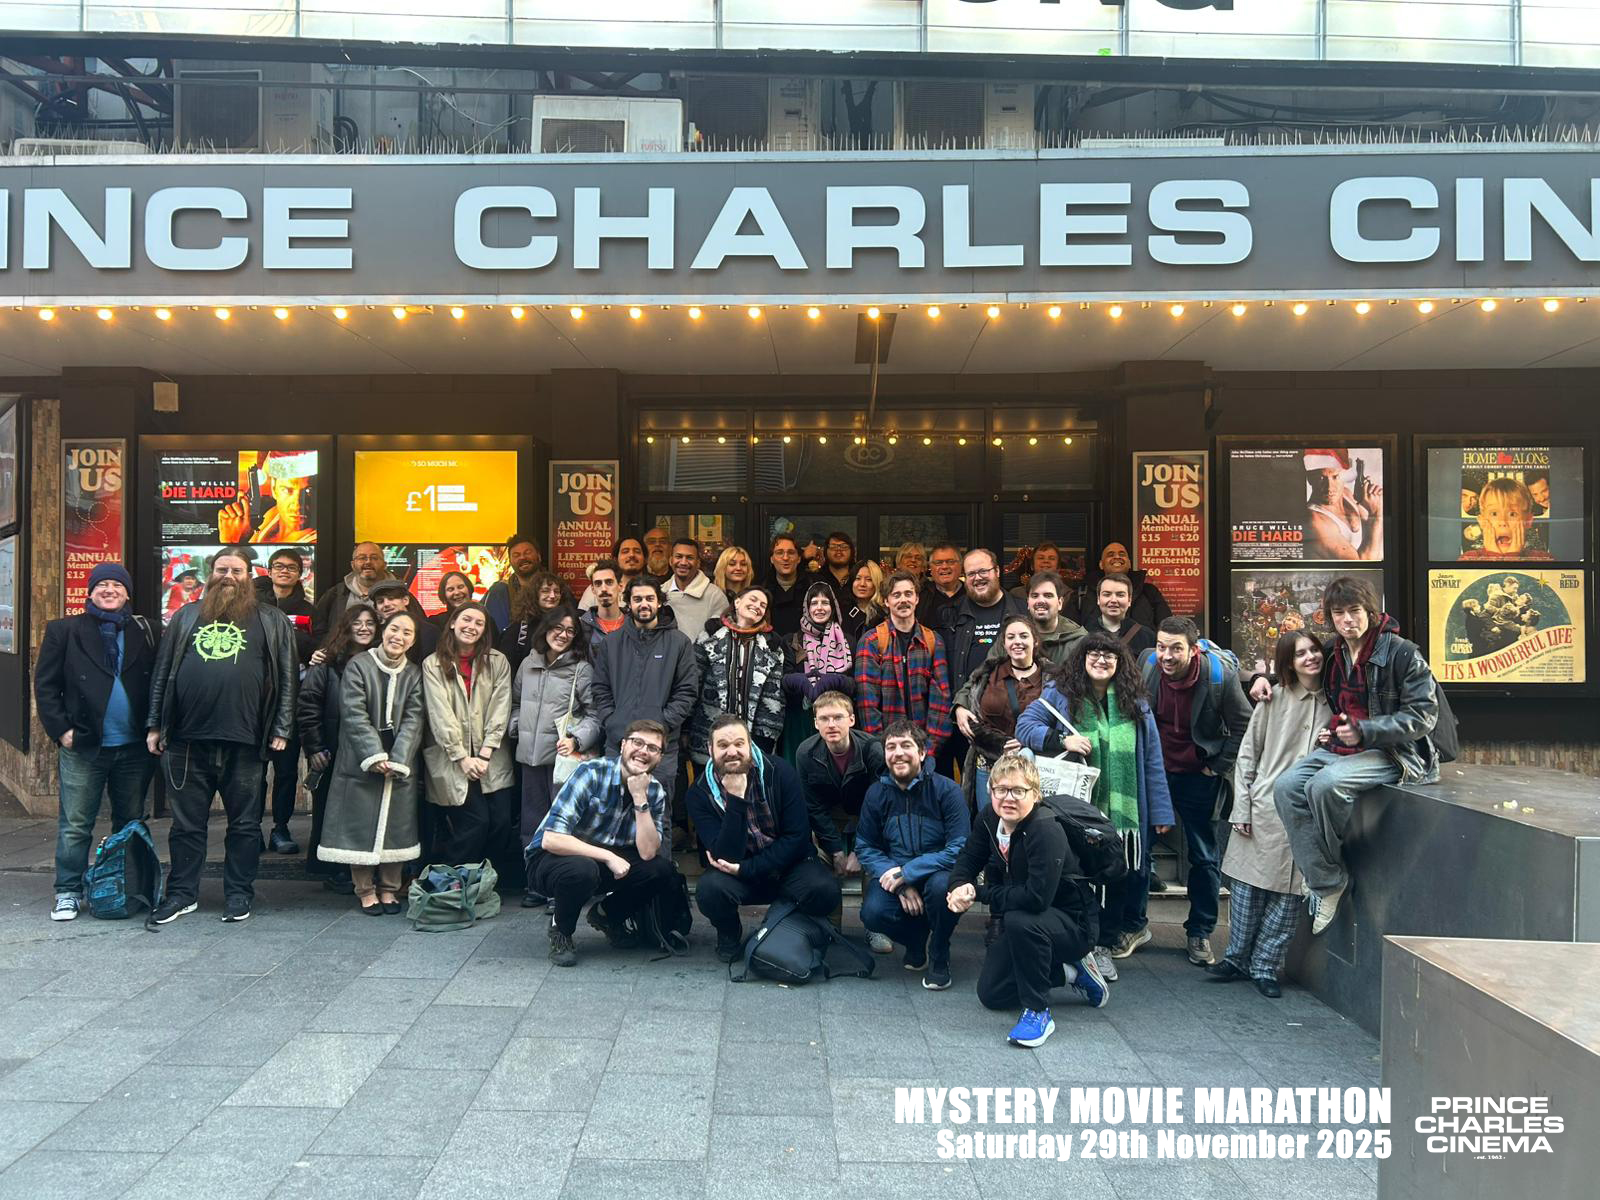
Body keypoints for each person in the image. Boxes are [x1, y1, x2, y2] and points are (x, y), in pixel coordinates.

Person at [1273, 576, 1441, 935]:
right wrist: (1263, 682)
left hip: (1395, 752)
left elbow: (1423, 716)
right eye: (1339, 613)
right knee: (1285, 787)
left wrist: (1366, 730)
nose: (1347, 620)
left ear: (1370, 611)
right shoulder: (1333, 651)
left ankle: (1326, 876)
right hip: (1344, 747)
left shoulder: (1402, 653)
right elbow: (1302, 673)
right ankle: (1328, 880)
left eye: (1355, 611)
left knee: (1325, 785)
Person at [147, 548, 297, 925]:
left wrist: (282, 728)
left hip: (246, 742)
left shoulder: (272, 620)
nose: (228, 576)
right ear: (210, 574)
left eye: (237, 570)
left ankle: (238, 895)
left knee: (245, 826)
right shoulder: (185, 616)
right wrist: (155, 725)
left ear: (249, 576)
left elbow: (288, 679)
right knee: (186, 826)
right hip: (186, 741)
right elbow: (162, 673)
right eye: (221, 569)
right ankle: (181, 895)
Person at [1016, 634, 1175, 977]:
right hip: (1076, 811)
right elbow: (1025, 726)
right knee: (1079, 877)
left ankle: (1103, 945)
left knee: (1118, 874)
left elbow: (1152, 760)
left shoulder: (1136, 702)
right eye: (1094, 654)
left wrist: (1161, 811)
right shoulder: (1060, 693)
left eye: (1109, 656)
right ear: (1082, 658)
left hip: (1125, 815)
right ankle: (1080, 943)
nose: (1101, 660)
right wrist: (1062, 739)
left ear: (1120, 663)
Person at [948, 752, 1109, 1047]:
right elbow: (969, 858)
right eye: (1001, 789)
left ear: (1035, 794)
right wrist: (959, 886)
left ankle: (1037, 1011)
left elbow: (1035, 899)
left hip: (1074, 924)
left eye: (1018, 791)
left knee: (1019, 919)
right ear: (990, 791)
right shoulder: (989, 818)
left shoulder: (1045, 829)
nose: (1008, 798)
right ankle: (1072, 973)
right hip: (1029, 921)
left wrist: (978, 893)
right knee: (992, 994)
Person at [35, 562, 158, 921]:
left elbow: (160, 681)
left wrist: (156, 727)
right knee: (76, 825)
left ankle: (126, 886)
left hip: (134, 746)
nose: (109, 590)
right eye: (101, 584)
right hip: (84, 745)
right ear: (89, 592)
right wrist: (62, 730)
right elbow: (46, 686)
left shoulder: (147, 631)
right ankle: (68, 891)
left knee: (130, 821)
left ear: (127, 593)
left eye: (117, 585)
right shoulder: (64, 630)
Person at [1210, 631, 1329, 998]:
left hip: (1307, 812)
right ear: (1288, 662)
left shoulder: (1337, 702)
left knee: (1289, 895)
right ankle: (1236, 958)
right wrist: (1241, 806)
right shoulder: (1272, 698)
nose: (1310, 657)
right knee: (1248, 889)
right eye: (1300, 653)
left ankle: (1265, 965)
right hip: (1264, 804)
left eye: (1314, 650)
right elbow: (1248, 754)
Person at [687, 713, 843, 961]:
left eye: (739, 743)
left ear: (750, 745)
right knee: (710, 890)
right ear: (710, 749)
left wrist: (748, 868)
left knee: (825, 890)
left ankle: (795, 928)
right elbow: (724, 855)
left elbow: (797, 837)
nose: (732, 752)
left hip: (787, 866)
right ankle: (729, 934)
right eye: (723, 745)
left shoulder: (779, 771)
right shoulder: (699, 793)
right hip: (738, 874)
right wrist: (736, 801)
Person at [526, 718, 679, 967]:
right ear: (623, 745)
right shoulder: (591, 772)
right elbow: (551, 838)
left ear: (660, 758)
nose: (643, 751)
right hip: (552, 860)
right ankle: (561, 930)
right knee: (582, 869)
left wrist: (640, 798)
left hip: (604, 862)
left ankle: (607, 915)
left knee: (661, 870)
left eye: (653, 748)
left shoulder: (655, 792)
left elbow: (648, 854)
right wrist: (608, 856)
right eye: (637, 743)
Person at [1144, 616, 1252, 966]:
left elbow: (1243, 724)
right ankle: (1133, 925)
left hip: (1198, 774)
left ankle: (1200, 931)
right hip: (1157, 773)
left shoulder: (1219, 676)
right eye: (1161, 646)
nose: (1166, 656)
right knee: (1137, 849)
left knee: (1204, 857)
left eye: (1176, 648)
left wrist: (1216, 767)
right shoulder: (1147, 666)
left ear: (1194, 649)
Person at [316, 610, 427, 913]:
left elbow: (414, 718)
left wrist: (399, 759)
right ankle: (365, 890)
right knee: (359, 826)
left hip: (400, 759)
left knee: (397, 826)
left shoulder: (414, 673)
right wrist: (373, 755)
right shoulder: (359, 665)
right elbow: (353, 713)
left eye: (407, 633)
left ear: (412, 641)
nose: (398, 637)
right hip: (360, 758)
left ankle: (389, 889)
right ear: (383, 630)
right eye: (394, 629)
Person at [856, 721, 970, 990]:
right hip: (895, 872)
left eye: (906, 745)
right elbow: (865, 846)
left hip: (937, 871)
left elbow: (960, 847)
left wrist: (909, 872)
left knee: (942, 889)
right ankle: (916, 940)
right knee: (872, 913)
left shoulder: (947, 790)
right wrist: (900, 882)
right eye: (891, 747)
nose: (898, 753)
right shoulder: (876, 793)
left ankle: (939, 951)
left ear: (922, 752)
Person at [422, 602, 517, 879]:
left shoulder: (497, 661)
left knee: (500, 821)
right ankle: (449, 881)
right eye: (466, 620)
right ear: (453, 622)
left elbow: (501, 706)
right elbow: (439, 713)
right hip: (452, 758)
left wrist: (485, 753)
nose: (471, 627)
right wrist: (462, 757)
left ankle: (485, 881)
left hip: (491, 756)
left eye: (479, 623)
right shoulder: (433, 664)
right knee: (475, 823)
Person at [591, 577, 699, 803]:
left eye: (650, 598)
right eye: (637, 599)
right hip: (618, 743)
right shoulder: (611, 643)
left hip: (660, 747)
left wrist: (663, 723)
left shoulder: (679, 643)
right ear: (628, 603)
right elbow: (600, 688)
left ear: (659, 602)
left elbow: (687, 691)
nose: (644, 604)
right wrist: (612, 721)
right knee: (612, 812)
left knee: (658, 814)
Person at [514, 606, 603, 870]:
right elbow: (515, 703)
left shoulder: (581, 669)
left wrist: (576, 740)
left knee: (563, 825)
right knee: (530, 824)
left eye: (570, 631)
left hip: (563, 760)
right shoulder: (528, 664)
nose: (563, 635)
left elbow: (595, 715)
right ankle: (534, 878)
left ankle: (561, 878)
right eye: (558, 628)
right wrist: (517, 727)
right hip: (530, 757)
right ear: (546, 629)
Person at [298, 603, 377, 892]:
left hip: (367, 750)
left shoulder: (380, 661)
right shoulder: (326, 663)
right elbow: (308, 706)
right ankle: (335, 871)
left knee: (360, 812)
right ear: (346, 627)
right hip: (332, 748)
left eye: (370, 623)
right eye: (358, 622)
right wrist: (315, 747)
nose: (364, 628)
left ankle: (358, 869)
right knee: (331, 812)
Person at [254, 546, 315, 856]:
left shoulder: (309, 609)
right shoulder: (252, 606)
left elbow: (315, 647)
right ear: (269, 570)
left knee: (287, 770)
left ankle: (281, 827)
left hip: (292, 699)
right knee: (254, 771)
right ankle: (251, 828)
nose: (284, 571)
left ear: (299, 573)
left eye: (291, 567)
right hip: (256, 701)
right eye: (279, 566)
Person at [854, 570, 954, 755]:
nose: (903, 600)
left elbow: (941, 700)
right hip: (886, 747)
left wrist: (928, 750)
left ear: (917, 598)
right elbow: (867, 703)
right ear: (886, 601)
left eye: (908, 593)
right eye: (896, 595)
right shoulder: (872, 641)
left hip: (924, 746)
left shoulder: (933, 641)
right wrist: (882, 750)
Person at [953, 614, 1047, 808]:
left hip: (1035, 767)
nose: (1017, 641)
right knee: (989, 820)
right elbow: (973, 717)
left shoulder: (1051, 677)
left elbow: (1056, 722)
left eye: (1024, 636)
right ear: (1004, 644)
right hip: (989, 764)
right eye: (1011, 637)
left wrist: (1027, 743)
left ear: (1035, 641)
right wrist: (999, 744)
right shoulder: (988, 674)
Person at [795, 690, 886, 886]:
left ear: (851, 720)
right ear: (816, 723)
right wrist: (835, 851)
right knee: (814, 858)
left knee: (872, 863)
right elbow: (813, 807)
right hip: (829, 816)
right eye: (824, 719)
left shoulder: (872, 749)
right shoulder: (806, 753)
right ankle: (828, 900)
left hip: (865, 814)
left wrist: (859, 850)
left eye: (838, 717)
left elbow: (877, 807)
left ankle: (872, 901)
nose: (831, 724)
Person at [688, 585, 785, 764]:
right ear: (737, 602)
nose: (757, 606)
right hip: (708, 733)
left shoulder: (772, 647)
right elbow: (693, 683)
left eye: (763, 605)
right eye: (753, 599)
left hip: (751, 740)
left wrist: (765, 739)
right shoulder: (710, 636)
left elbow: (773, 698)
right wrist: (686, 728)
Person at [216, 450, 317, 544]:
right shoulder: (274, 514)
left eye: (309, 491)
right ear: (274, 488)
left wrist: (232, 541)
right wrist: (244, 527)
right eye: (287, 490)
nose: (297, 505)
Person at [784, 582, 856, 708]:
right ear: (807, 608)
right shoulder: (791, 640)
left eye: (825, 603)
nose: (819, 608)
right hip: (801, 713)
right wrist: (801, 682)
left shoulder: (847, 640)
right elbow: (783, 682)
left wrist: (836, 681)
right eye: (814, 603)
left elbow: (855, 685)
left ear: (833, 607)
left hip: (838, 710)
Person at [1303, 450, 1383, 561]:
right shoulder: (1315, 521)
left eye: (1335, 477)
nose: (1329, 488)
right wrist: (1377, 515)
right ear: (1310, 479)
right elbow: (1362, 566)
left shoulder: (1346, 494)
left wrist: (1371, 499)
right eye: (1321, 478)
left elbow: (1371, 533)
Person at [312, 541, 390, 642]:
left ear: (384, 564)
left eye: (374, 558)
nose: (368, 562)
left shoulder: (399, 595)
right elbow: (318, 628)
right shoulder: (335, 594)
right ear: (353, 565)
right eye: (362, 558)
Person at [502, 569, 572, 675]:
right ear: (534, 594)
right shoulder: (520, 628)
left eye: (556, 591)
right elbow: (507, 667)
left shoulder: (568, 624)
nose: (552, 596)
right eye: (546, 591)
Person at [1462, 476, 1548, 560]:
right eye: (1494, 514)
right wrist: (1493, 556)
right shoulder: (1468, 558)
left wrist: (1512, 556)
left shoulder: (1543, 558)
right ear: (1482, 522)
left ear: (1528, 521)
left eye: (1512, 514)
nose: (1503, 522)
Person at [663, 536, 730, 634]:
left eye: (689, 558)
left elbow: (723, 635)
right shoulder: (660, 593)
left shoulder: (714, 595)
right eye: (679, 557)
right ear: (671, 561)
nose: (683, 562)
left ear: (698, 563)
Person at [1081, 573, 1157, 657]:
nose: (1113, 600)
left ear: (1129, 600)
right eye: (1107, 594)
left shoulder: (1147, 636)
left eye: (1120, 595)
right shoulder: (1084, 635)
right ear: (1098, 599)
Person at [483, 533, 544, 633]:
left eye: (527, 552)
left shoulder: (556, 588)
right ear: (511, 562)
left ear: (539, 556)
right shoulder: (499, 592)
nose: (522, 557)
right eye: (516, 555)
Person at [369, 578, 439, 664]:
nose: (386, 604)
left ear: (406, 600)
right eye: (380, 601)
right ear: (376, 609)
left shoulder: (429, 632)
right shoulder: (375, 635)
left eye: (391, 598)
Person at [579, 535, 647, 609]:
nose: (631, 555)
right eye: (625, 552)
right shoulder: (597, 588)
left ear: (645, 559)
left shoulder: (654, 588)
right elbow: (582, 615)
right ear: (615, 559)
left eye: (637, 551)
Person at [764, 533, 807, 638]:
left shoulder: (812, 586)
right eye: (779, 553)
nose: (785, 557)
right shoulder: (762, 590)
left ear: (799, 558)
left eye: (791, 552)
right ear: (771, 559)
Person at [579, 558, 626, 650]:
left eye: (609, 582)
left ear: (620, 586)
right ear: (593, 589)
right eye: (598, 583)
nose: (604, 588)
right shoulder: (583, 627)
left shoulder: (633, 624)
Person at [918, 543, 965, 628]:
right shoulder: (920, 597)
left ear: (961, 565)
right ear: (931, 568)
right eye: (938, 563)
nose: (944, 566)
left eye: (950, 562)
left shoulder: (973, 594)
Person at [841, 560, 884, 647]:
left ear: (876, 583)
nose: (862, 584)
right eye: (858, 578)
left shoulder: (883, 615)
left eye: (869, 579)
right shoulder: (842, 611)